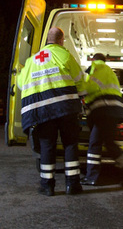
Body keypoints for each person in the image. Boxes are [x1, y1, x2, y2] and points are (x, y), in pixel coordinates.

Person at [18, 27, 86, 196]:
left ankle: (47, 186)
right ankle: (73, 185)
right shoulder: (64, 55)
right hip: (65, 108)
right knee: (70, 143)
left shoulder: (32, 60)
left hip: (41, 111)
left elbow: (20, 84)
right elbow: (80, 81)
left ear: (46, 40)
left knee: (47, 145)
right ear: (61, 40)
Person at [80, 53, 123, 186]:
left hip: (103, 110)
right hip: (114, 110)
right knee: (109, 143)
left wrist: (80, 91)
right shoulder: (110, 71)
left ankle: (92, 177)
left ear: (93, 60)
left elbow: (90, 87)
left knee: (95, 144)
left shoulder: (94, 68)